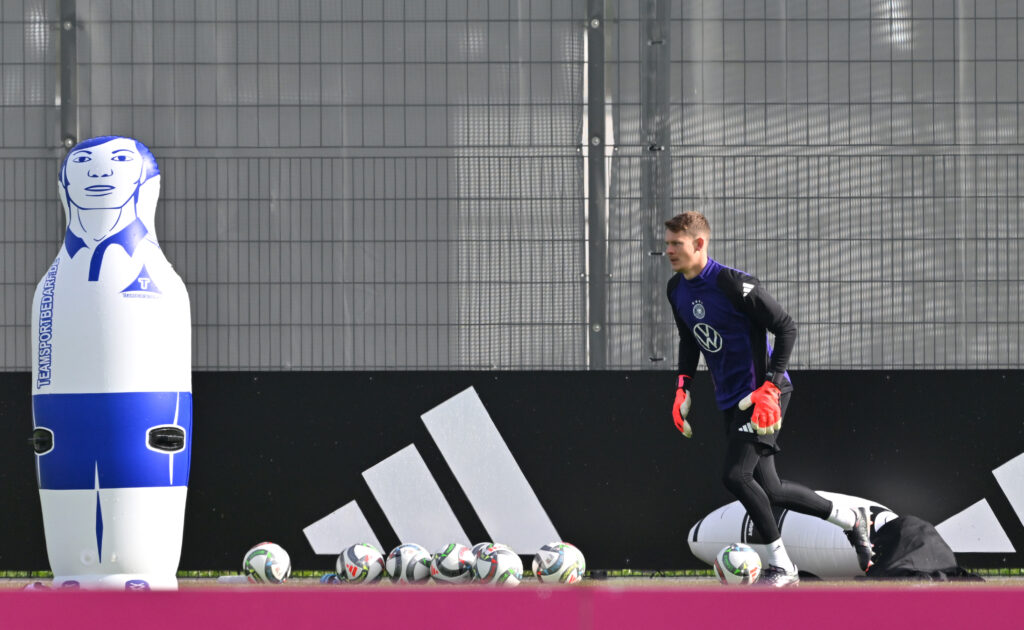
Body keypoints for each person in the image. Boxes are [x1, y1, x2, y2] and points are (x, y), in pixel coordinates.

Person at [664, 211, 872, 587]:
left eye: (676, 244)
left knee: (736, 476)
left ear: (699, 243)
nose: (669, 250)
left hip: (764, 396)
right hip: (730, 398)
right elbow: (689, 339)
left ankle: (782, 566)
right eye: (667, 244)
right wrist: (683, 387)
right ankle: (850, 519)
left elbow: (786, 327)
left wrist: (771, 388)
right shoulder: (675, 289)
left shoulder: (733, 283)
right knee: (771, 489)